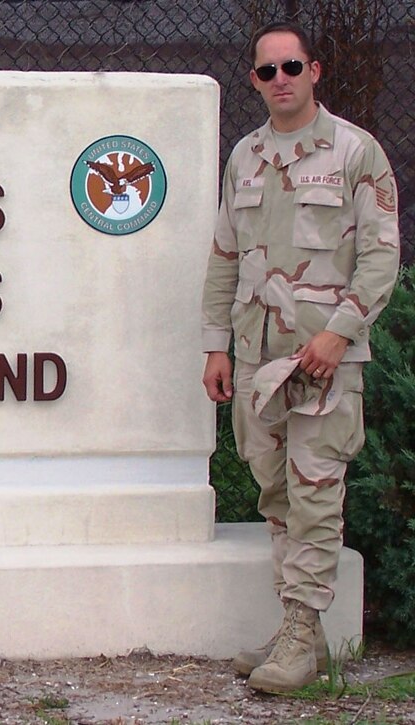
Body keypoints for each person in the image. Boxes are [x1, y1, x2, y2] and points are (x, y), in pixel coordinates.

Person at [201, 21, 400, 693]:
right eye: (266, 71)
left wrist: (341, 331)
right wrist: (216, 345)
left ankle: (297, 635)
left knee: (316, 496)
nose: (279, 79)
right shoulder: (246, 156)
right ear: (254, 81)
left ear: (315, 71)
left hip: (323, 361)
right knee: (277, 495)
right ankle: (302, 632)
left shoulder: (355, 152)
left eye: (291, 66)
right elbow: (225, 253)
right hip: (259, 362)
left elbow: (381, 255)